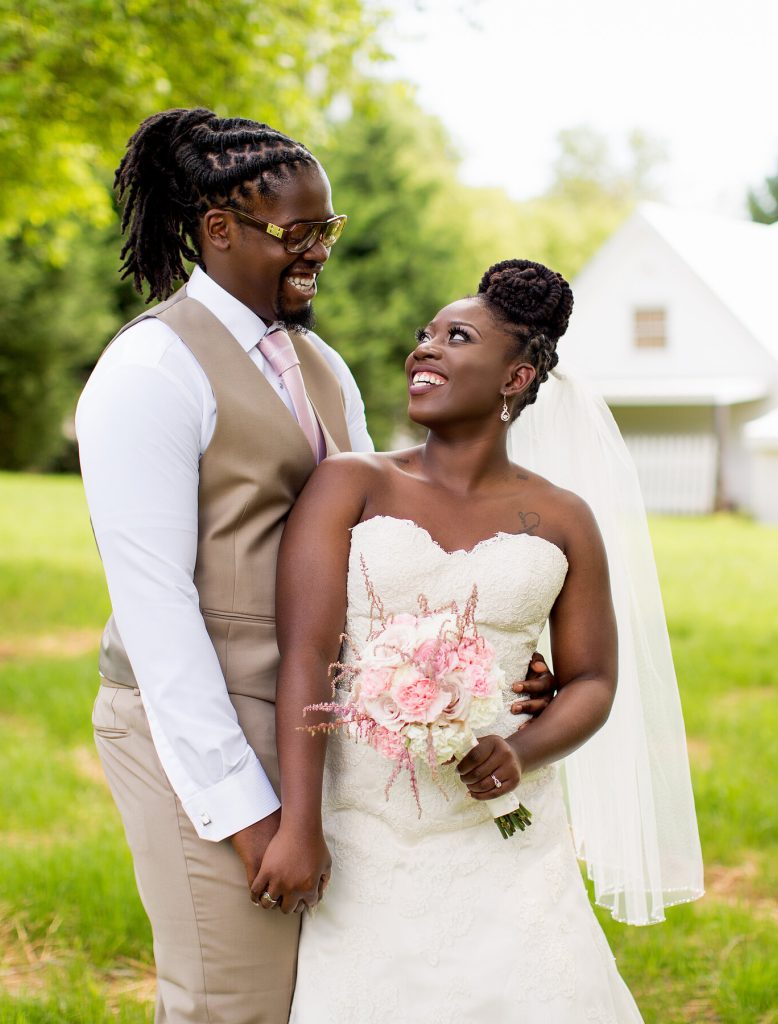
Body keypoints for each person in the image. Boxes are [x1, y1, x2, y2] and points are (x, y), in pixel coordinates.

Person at [76, 110, 556, 1024]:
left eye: (326, 228)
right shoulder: (152, 367)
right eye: (296, 232)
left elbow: (384, 540)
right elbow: (156, 611)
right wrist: (249, 815)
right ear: (220, 230)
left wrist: (496, 664)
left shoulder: (320, 363)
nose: (320, 252)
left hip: (323, 727)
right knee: (235, 1002)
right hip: (200, 724)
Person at [258, 259, 702, 1022]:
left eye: (456, 337)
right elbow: (305, 657)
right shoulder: (351, 484)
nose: (424, 348)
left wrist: (522, 751)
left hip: (508, 835)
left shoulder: (565, 518)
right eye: (424, 334)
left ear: (516, 377)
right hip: (365, 832)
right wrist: (299, 825)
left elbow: (593, 680)